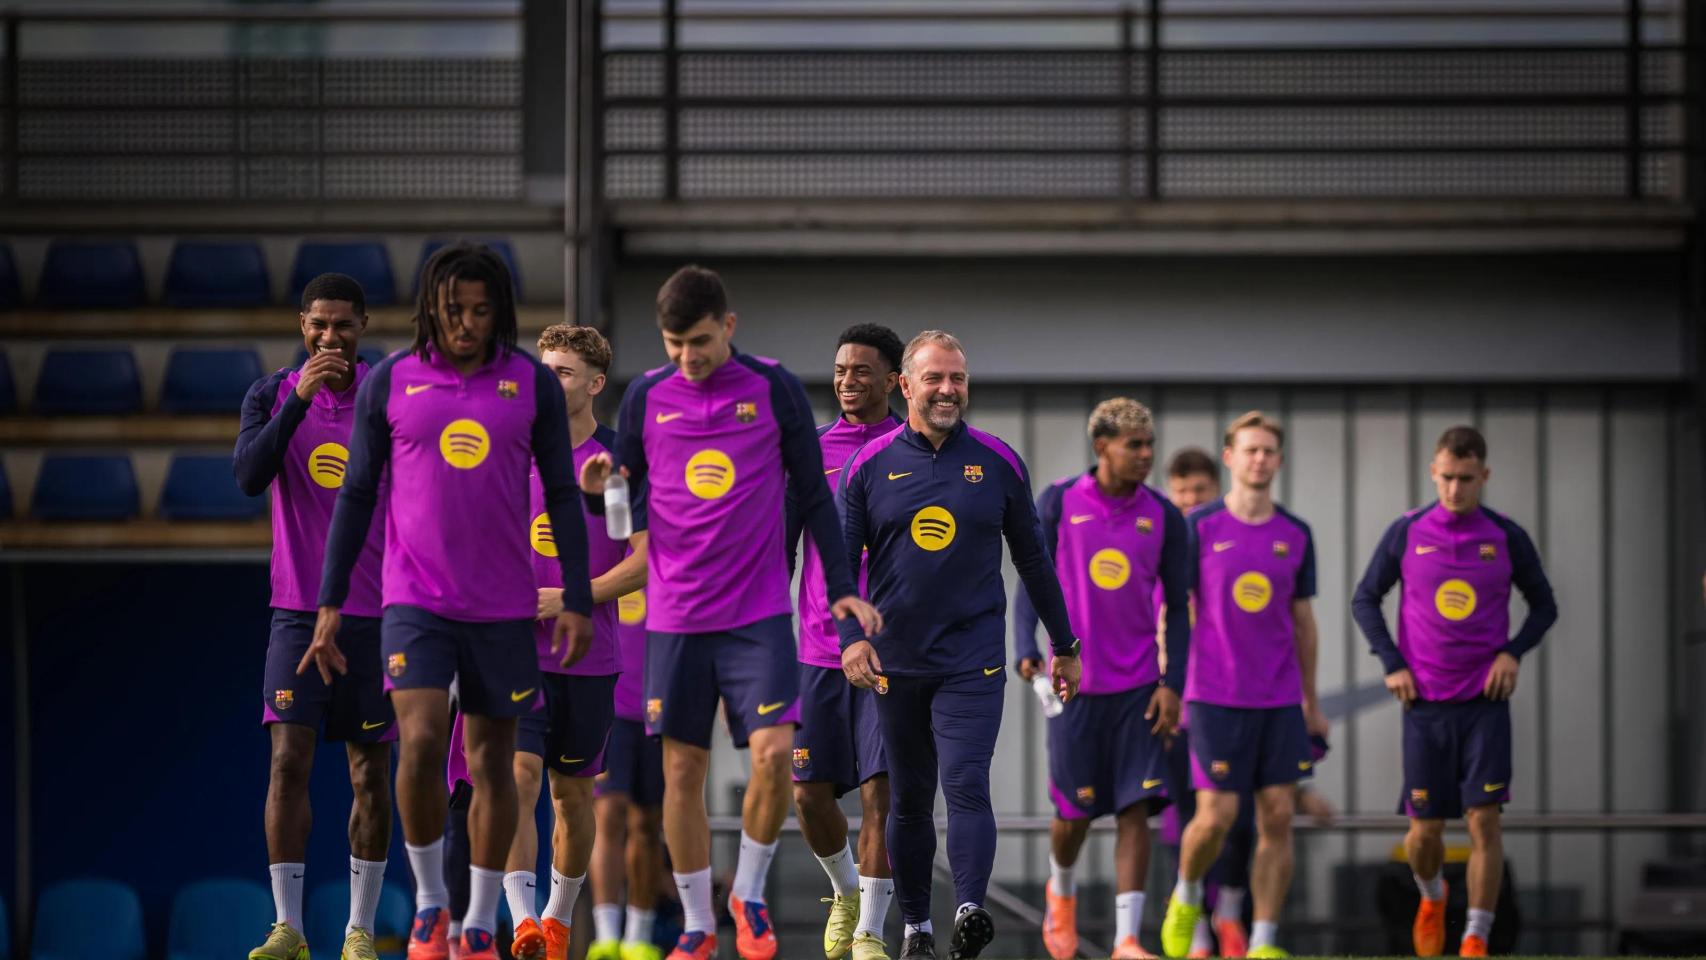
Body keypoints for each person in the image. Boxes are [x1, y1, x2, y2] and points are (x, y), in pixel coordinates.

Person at [580, 265, 882, 960]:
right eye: (675, 344)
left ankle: (747, 893)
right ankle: (696, 924)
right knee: (682, 773)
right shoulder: (646, 396)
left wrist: (840, 588)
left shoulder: (773, 388)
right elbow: (625, 501)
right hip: (676, 617)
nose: (688, 356)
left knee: (775, 756)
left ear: (729, 327)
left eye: (701, 341)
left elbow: (814, 497)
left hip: (756, 614)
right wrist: (601, 495)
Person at [307, 243, 595, 960]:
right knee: (423, 740)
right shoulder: (391, 381)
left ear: (499, 312)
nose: (466, 324)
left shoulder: (529, 383)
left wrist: (577, 597)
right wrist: (330, 600)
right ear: (430, 310)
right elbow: (356, 493)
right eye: (452, 310)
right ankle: (432, 905)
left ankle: (478, 922)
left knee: (494, 763)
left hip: (503, 606)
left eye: (480, 310)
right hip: (415, 601)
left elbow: (564, 494)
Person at [836, 330, 1081, 960]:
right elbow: (839, 567)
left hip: (973, 660)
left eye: (958, 379)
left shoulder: (998, 461)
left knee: (967, 781)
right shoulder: (869, 465)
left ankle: (970, 909)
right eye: (935, 378)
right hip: (894, 662)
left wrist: (1064, 643)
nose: (948, 390)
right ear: (905, 385)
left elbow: (1034, 560)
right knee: (910, 799)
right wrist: (850, 640)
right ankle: (916, 929)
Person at [440, 325, 649, 960]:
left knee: (573, 797)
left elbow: (645, 560)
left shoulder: (616, 466)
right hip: (514, 654)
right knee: (518, 777)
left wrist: (573, 596)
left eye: (563, 371)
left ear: (595, 383)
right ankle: (523, 917)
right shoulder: (507, 454)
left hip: (589, 656)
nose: (547, 380)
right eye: (543, 368)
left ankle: (557, 919)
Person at [1352, 425, 1557, 959]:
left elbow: (1544, 605)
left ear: (1483, 476)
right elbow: (1365, 598)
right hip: (1424, 706)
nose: (1454, 489)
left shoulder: (1505, 536)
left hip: (1485, 706)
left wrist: (1512, 652)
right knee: (1424, 832)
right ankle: (1432, 895)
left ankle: (1475, 937)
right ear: (1433, 472)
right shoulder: (1407, 532)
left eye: (1465, 479)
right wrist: (1392, 663)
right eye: (1445, 477)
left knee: (1483, 820)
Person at [236, 273, 395, 960]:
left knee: (370, 774)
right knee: (287, 765)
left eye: (343, 325)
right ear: (302, 325)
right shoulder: (271, 394)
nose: (330, 337)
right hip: (297, 614)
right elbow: (249, 475)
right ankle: (289, 929)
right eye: (318, 325)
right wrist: (298, 401)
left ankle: (359, 930)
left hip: (376, 615)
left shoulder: (388, 395)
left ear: (363, 327)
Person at [1014, 398, 1190, 960]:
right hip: (1076, 690)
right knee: (1075, 815)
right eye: (1133, 445)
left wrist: (1172, 683)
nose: (1145, 455)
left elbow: (1179, 610)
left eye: (1149, 445)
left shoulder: (1165, 516)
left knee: (1136, 810)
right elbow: (1033, 579)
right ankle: (1061, 892)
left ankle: (1127, 939)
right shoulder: (1059, 501)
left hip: (1140, 689)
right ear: (1102, 447)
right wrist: (1025, 647)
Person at [1161, 412, 1327, 960]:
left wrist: (1310, 701)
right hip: (1213, 697)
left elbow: (1303, 623)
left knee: (1278, 816)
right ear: (1230, 458)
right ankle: (1187, 895)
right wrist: (1170, 683)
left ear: (1279, 460)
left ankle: (1262, 940)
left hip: (1279, 700)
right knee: (1216, 819)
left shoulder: (1296, 533)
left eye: (1268, 451)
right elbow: (1174, 611)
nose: (1259, 459)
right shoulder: (1198, 527)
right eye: (1250, 450)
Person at [789, 324, 905, 960]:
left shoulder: (914, 450)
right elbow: (780, 548)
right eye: (840, 370)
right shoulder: (809, 451)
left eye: (862, 370)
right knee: (807, 795)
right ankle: (844, 892)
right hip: (816, 650)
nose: (847, 381)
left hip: (889, 653)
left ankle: (870, 933)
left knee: (879, 795)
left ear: (893, 380)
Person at [586, 585, 667, 960]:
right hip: (609, 708)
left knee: (648, 823)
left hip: (659, 710)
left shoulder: (665, 564)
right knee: (609, 813)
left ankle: (638, 935)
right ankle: (605, 936)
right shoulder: (604, 564)